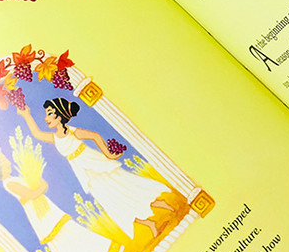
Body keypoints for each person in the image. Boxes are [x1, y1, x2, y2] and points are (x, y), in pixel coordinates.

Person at [16, 98, 173, 239]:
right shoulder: (55, 137)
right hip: (86, 174)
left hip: (96, 165)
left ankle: (161, 204)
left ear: (59, 115)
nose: (46, 118)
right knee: (112, 201)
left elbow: (95, 136)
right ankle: (150, 224)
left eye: (49, 113)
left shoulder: (72, 132)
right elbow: (37, 134)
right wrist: (26, 115)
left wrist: (109, 154)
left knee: (125, 186)